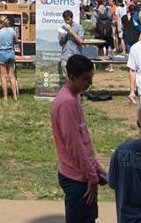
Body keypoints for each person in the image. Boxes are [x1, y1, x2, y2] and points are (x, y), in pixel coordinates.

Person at [51, 55, 106, 223]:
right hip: (76, 177)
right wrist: (91, 176)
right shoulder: (67, 102)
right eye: (85, 79)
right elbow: (74, 145)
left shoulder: (76, 96)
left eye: (91, 78)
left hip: (83, 173)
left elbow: (84, 137)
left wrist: (95, 166)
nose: (89, 83)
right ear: (71, 77)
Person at [0, 15, 18, 101]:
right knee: (12, 76)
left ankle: (5, 97)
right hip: (10, 53)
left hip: (1, 54)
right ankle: (15, 95)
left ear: (0, 23)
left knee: (3, 76)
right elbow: (16, 41)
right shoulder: (12, 30)